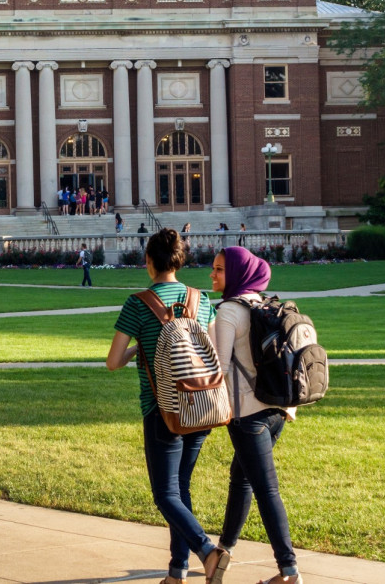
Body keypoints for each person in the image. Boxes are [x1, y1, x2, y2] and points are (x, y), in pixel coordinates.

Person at [106, 229, 229, 584]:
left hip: (162, 410)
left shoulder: (137, 303)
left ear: (148, 262)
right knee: (181, 488)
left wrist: (138, 350)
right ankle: (177, 571)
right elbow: (213, 350)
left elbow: (113, 361)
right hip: (202, 403)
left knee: (165, 494)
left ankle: (208, 552)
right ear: (179, 260)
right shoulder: (200, 297)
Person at [210, 246, 302, 584]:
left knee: (266, 490)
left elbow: (217, 369)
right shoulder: (264, 304)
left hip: (248, 416)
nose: (213, 275)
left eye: (219, 270)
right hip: (278, 410)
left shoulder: (230, 312)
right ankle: (224, 550)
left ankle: (289, 571)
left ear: (234, 273)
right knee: (242, 478)